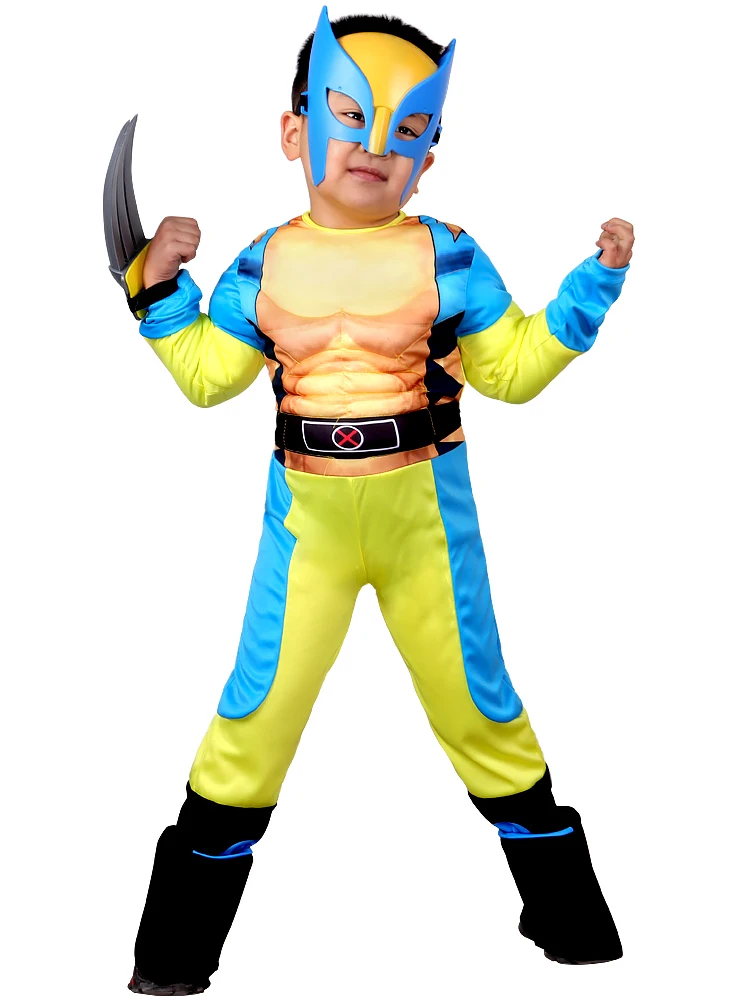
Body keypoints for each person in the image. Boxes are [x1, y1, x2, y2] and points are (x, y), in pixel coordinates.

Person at [119, 7, 634, 994]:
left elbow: (514, 371)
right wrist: (158, 288)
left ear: (428, 157)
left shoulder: (449, 254)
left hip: (426, 523)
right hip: (305, 524)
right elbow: (206, 377)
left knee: (481, 712)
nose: (374, 145)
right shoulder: (262, 262)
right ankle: (173, 957)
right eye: (350, 114)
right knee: (253, 721)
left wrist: (592, 287)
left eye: (408, 128)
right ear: (294, 130)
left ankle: (572, 927)